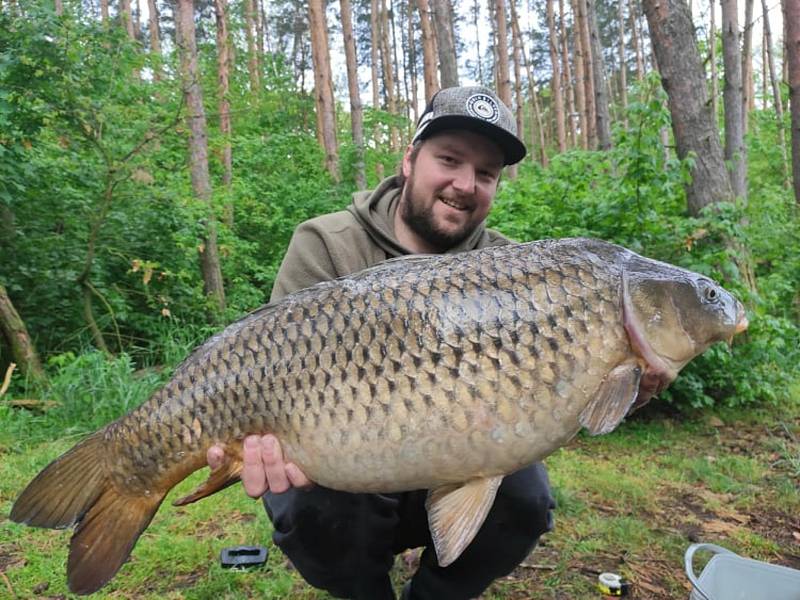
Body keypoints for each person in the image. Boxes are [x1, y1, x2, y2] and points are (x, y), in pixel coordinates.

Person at [208, 86, 556, 600]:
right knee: (317, 508)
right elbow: (269, 370)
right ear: (410, 160)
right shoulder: (327, 244)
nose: (465, 184)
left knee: (526, 498)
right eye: (450, 159)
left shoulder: (515, 269)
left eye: (486, 173)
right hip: (343, 460)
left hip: (463, 451)